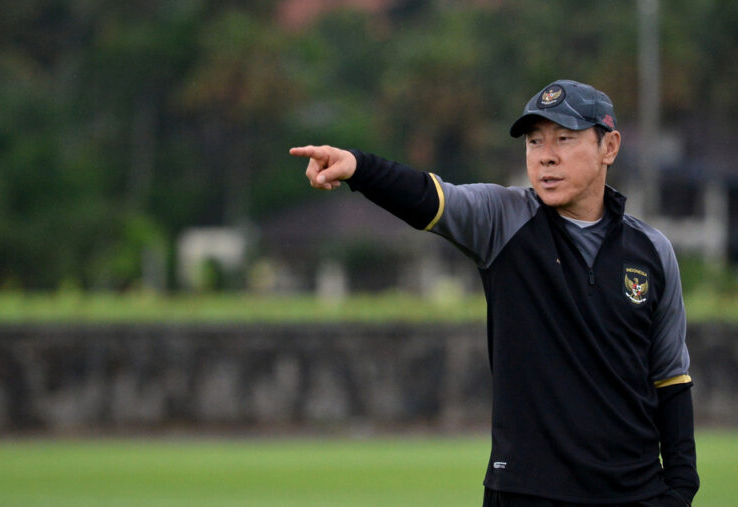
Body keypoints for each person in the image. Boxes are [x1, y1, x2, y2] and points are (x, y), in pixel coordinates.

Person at [289, 79, 699, 506]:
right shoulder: (503, 221)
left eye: (564, 138)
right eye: (535, 141)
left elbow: (670, 377)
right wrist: (358, 167)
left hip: (635, 494)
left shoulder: (651, 251)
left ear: (609, 147)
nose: (546, 156)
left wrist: (682, 488)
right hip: (526, 491)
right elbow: (428, 196)